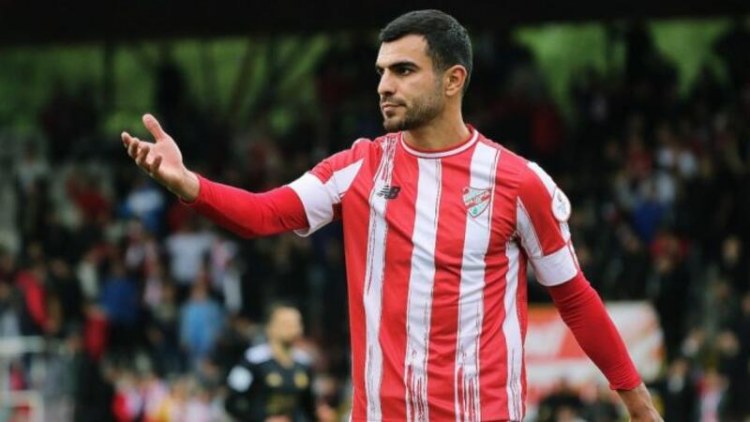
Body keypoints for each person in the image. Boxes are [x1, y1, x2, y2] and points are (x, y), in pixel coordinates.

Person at [121, 9, 662, 421]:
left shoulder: (519, 182)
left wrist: (637, 402)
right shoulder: (357, 167)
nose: (384, 86)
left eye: (404, 71)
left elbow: (574, 298)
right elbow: (264, 214)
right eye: (382, 72)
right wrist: (190, 185)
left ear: (453, 80)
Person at [224, 302, 316, 421]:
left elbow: (308, 407)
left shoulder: (304, 363)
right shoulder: (252, 360)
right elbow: (231, 402)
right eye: (286, 323)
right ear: (269, 327)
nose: (293, 328)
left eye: (296, 323)